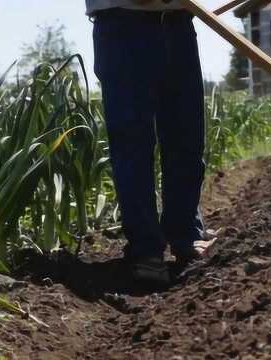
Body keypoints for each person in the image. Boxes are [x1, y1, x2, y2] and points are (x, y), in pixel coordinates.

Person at [87, 0, 213, 284]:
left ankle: (184, 233)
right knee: (133, 143)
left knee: (186, 135)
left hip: (177, 21)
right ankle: (145, 249)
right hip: (122, 22)